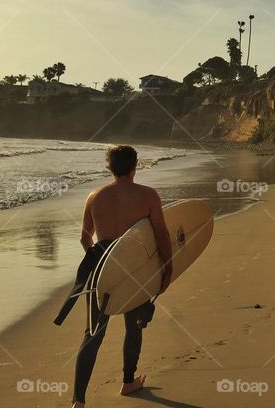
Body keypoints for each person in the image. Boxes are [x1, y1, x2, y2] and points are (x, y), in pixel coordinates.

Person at [65, 145, 173, 408]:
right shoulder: (148, 196)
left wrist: (101, 259)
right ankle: (128, 382)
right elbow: (161, 234)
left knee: (93, 333)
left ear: (109, 167)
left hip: (103, 269)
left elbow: (84, 237)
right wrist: (166, 268)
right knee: (134, 324)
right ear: (135, 166)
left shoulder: (95, 197)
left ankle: (78, 400)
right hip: (135, 268)